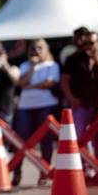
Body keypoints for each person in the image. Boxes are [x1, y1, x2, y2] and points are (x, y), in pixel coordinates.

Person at [61, 30, 98, 179]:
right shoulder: (74, 59)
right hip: (80, 104)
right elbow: (64, 81)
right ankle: (84, 169)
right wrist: (71, 99)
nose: (87, 46)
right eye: (85, 43)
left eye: (91, 43)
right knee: (80, 137)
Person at [12, 39, 60, 187]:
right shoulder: (25, 65)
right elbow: (21, 83)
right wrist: (32, 68)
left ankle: (44, 173)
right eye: (33, 48)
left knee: (46, 142)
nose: (36, 51)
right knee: (20, 141)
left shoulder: (53, 65)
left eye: (40, 48)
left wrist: (30, 85)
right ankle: (17, 172)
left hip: (46, 106)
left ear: (46, 50)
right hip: (25, 107)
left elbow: (49, 83)